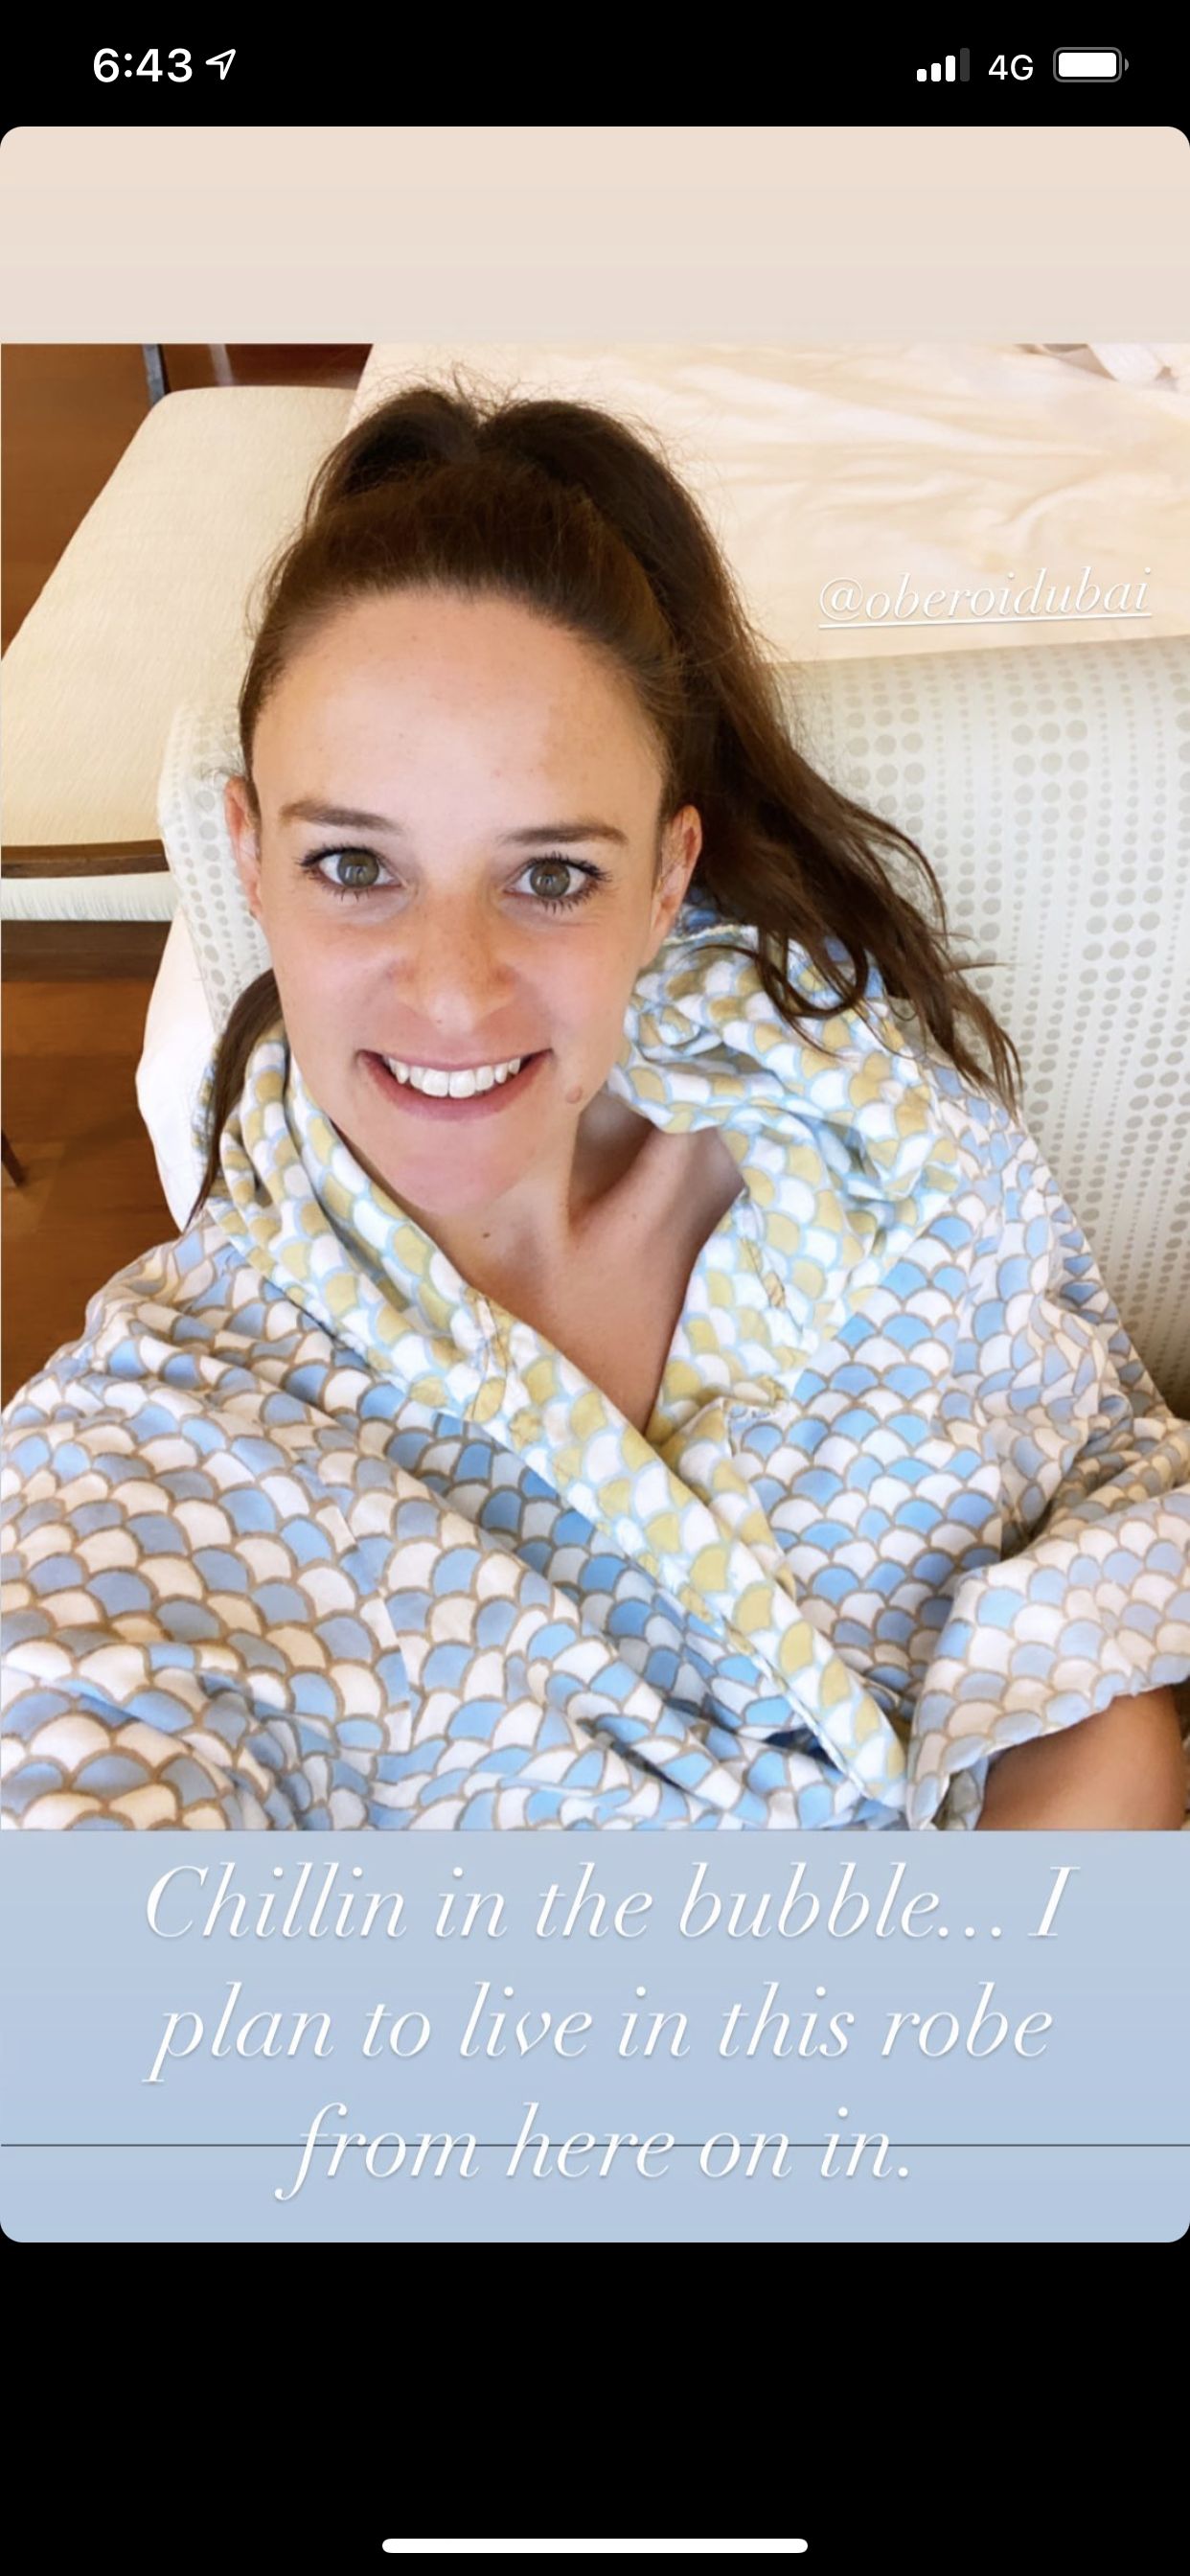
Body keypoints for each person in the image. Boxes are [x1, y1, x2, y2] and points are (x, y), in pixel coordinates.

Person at [3, 368, 1188, 1832]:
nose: (453, 992)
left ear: (666, 879)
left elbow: (1094, 1558)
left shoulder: (872, 1131)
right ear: (249, 856)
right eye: (354, 867)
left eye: (551, 874)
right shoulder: (151, 1446)